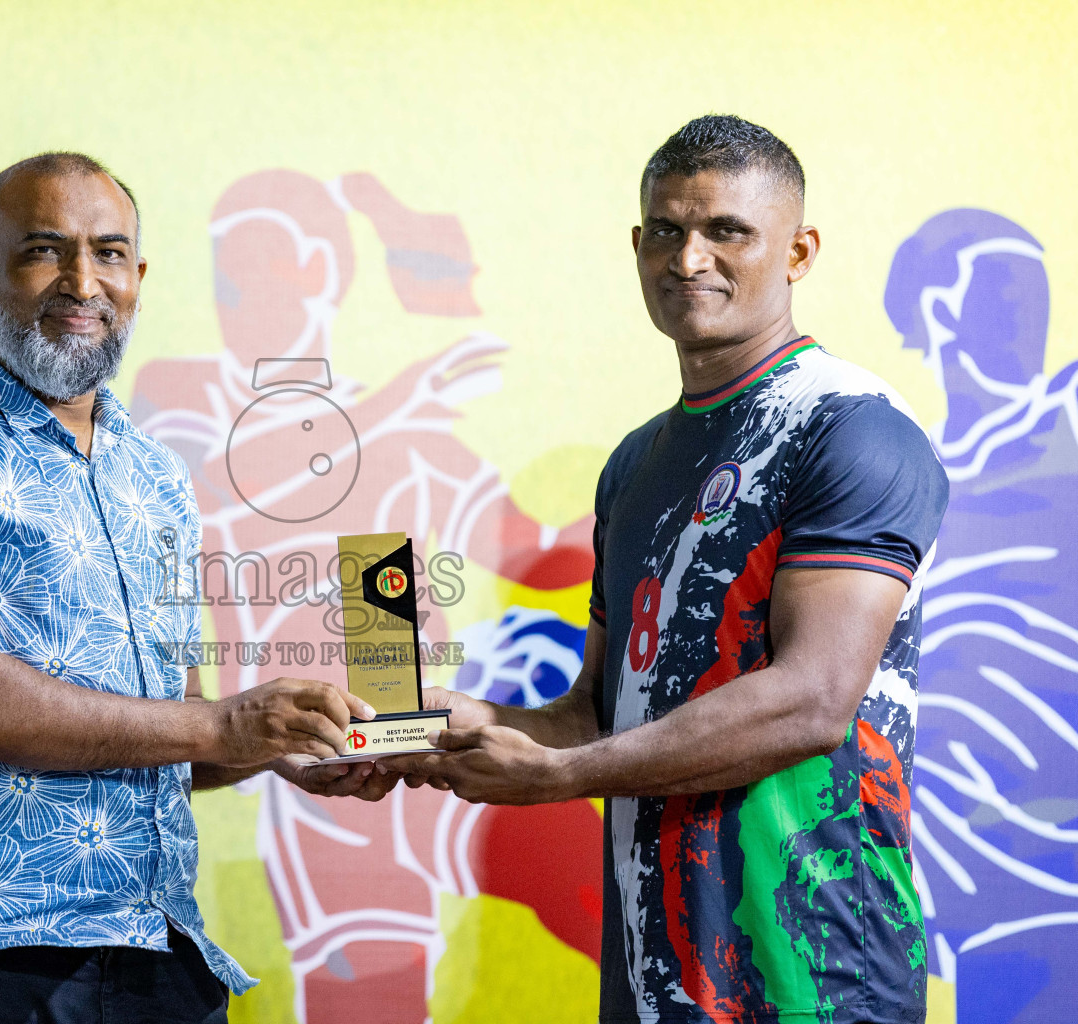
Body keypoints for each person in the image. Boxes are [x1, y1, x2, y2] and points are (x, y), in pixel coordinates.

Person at [386, 115, 950, 1024]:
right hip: (657, 978)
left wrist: (564, 779)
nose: (689, 258)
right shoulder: (634, 463)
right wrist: (453, 725)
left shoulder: (852, 425)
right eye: (667, 231)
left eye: (727, 230)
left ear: (799, 251)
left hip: (820, 974)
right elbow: (597, 715)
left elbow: (812, 700)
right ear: (638, 244)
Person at [0, 151, 376, 1024]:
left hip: (158, 953)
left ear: (140, 279)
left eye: (110, 254)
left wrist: (285, 744)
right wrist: (229, 722)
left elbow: (174, 730)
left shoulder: (153, 477)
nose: (84, 282)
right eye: (45, 250)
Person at [128, 168, 601, 1021]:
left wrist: (645, 526)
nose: (228, 291)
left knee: (616, 906)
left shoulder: (402, 439)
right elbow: (224, 484)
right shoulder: (183, 397)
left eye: (250, 264)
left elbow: (535, 549)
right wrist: (393, 413)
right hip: (319, 791)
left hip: (419, 750)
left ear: (319, 272)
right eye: (218, 270)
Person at [884, 209, 1078, 1022]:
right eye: (1004, 292)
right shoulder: (905, 472)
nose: (1027, 317)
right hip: (965, 878)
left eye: (1035, 291)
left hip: (1057, 864)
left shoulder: (1064, 424)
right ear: (937, 312)